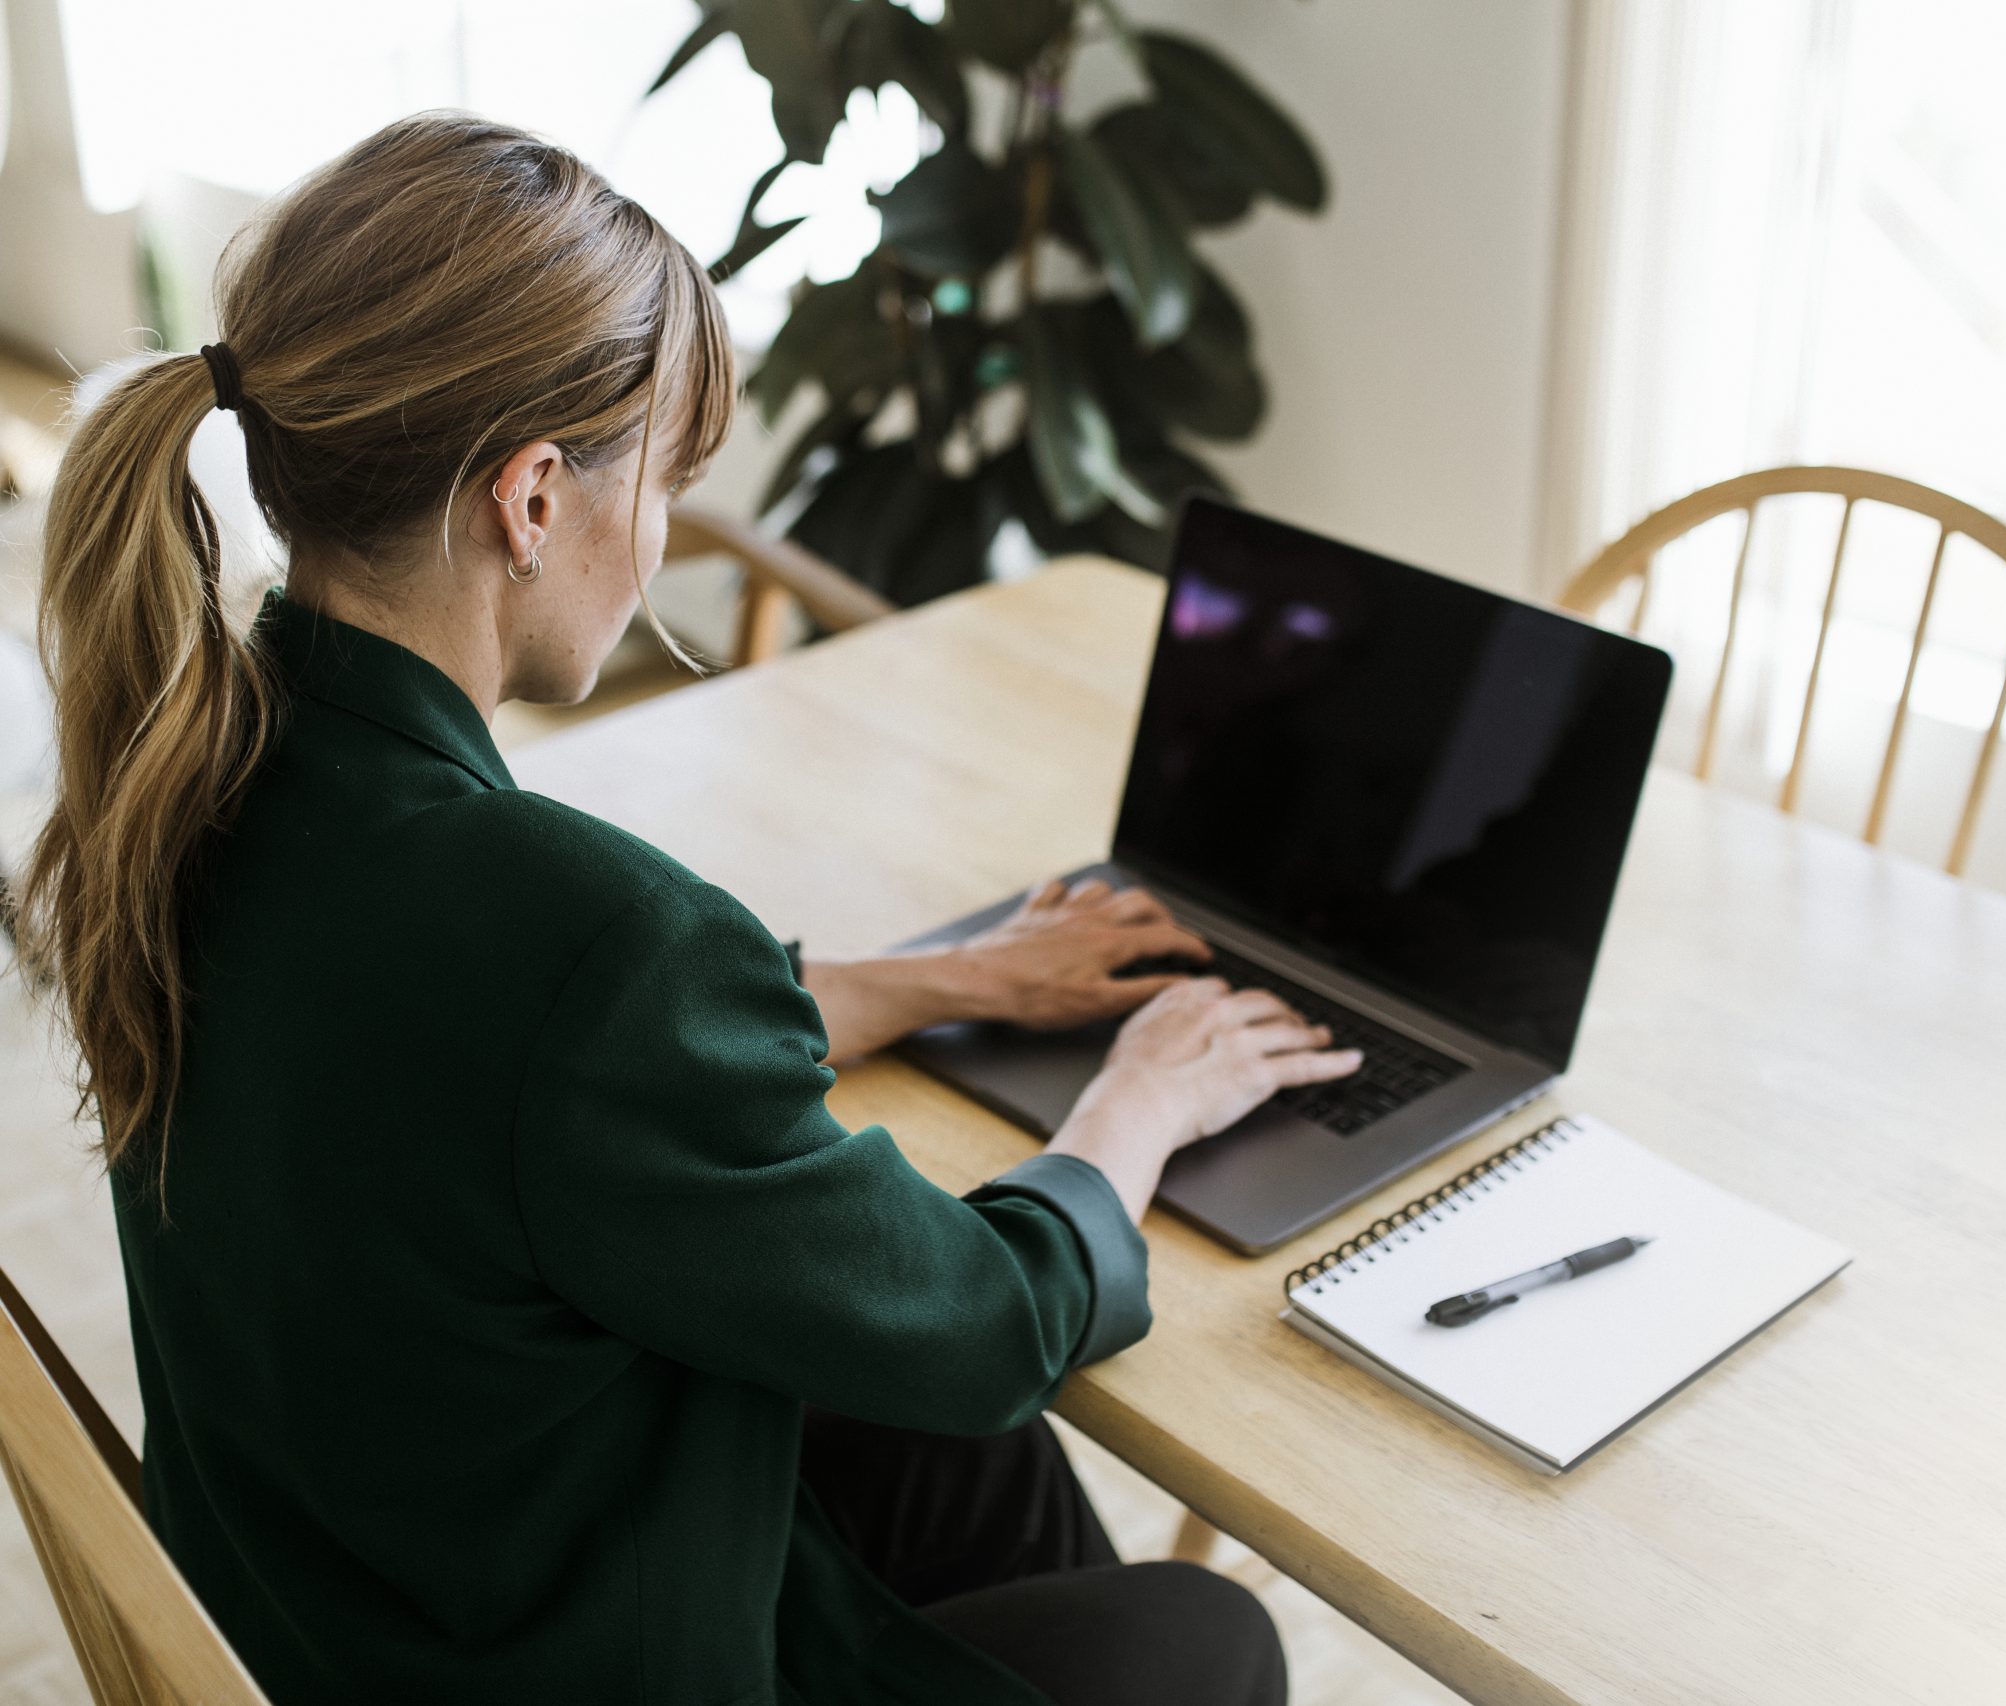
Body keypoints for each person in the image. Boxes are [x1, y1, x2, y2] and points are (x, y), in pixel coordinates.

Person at [9, 111, 1362, 1706]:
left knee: (924, 1437)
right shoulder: (589, 940)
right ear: (530, 501)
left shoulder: (200, 778)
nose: (654, 541)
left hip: (346, 1603)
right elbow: (991, 1319)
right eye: (657, 479)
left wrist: (948, 978)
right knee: (1203, 1640)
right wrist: (1141, 1101)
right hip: (542, 1653)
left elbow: (527, 1067)